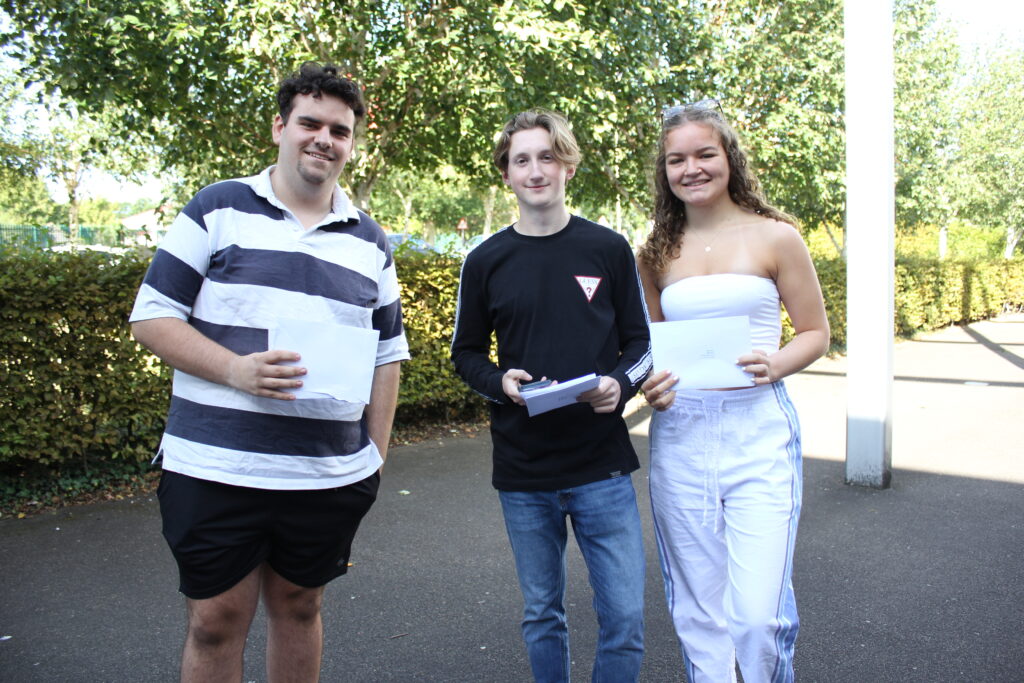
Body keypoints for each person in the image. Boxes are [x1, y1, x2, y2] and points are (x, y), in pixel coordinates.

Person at [129, 62, 408, 682]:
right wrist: (236, 370)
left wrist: (374, 460)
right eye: (310, 123)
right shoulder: (217, 208)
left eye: (340, 130)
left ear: (351, 144)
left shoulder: (371, 241)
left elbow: (387, 355)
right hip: (215, 465)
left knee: (300, 607)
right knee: (215, 620)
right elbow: (151, 318)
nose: (324, 139)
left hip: (326, 475)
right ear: (280, 127)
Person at [450, 110, 652, 683]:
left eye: (546, 157)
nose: (535, 170)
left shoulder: (608, 248)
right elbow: (464, 354)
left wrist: (621, 382)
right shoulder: (485, 260)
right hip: (524, 470)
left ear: (567, 166)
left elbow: (641, 344)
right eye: (522, 160)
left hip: (602, 468)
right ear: (507, 175)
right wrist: (499, 382)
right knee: (543, 615)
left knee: (626, 619)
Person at [637, 101, 829, 683]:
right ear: (665, 171)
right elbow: (648, 348)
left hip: (759, 431)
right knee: (700, 614)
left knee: (756, 618)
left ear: (729, 158)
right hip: (682, 436)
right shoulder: (654, 252)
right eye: (677, 159)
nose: (691, 168)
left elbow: (816, 333)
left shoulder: (777, 236)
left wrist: (776, 362)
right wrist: (651, 387)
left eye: (704, 154)